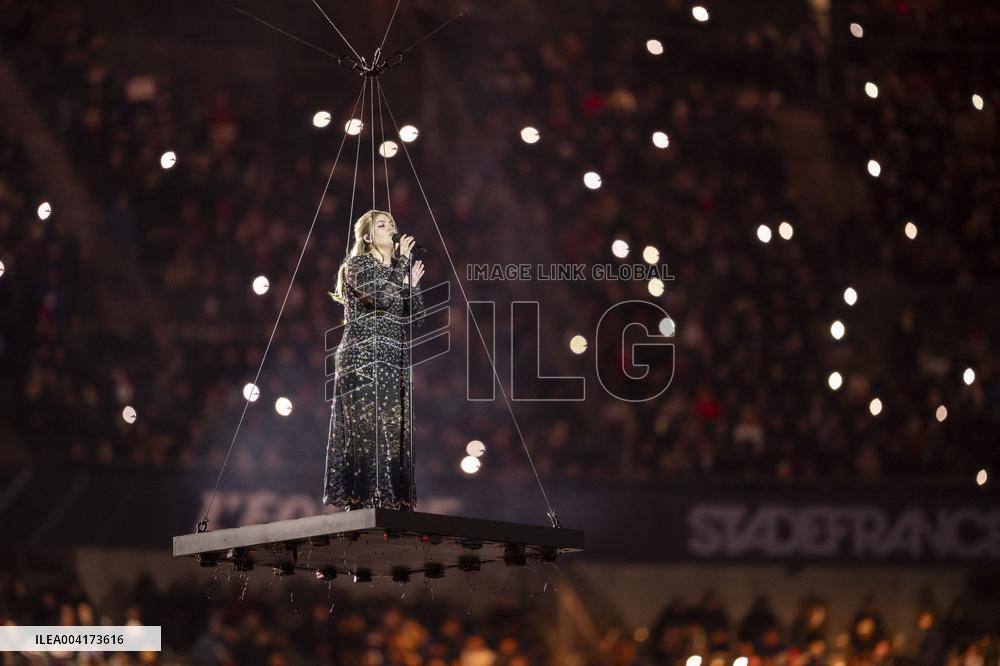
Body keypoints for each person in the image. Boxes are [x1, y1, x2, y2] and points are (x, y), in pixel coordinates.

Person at [323, 209, 426, 510]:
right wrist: (403, 267)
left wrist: (413, 283)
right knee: (366, 430)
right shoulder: (356, 266)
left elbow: (416, 316)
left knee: (394, 431)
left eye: (392, 223)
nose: (391, 228)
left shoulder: (398, 269)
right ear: (367, 237)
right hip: (362, 358)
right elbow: (382, 298)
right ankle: (362, 501)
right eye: (382, 225)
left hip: (393, 359)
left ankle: (391, 500)